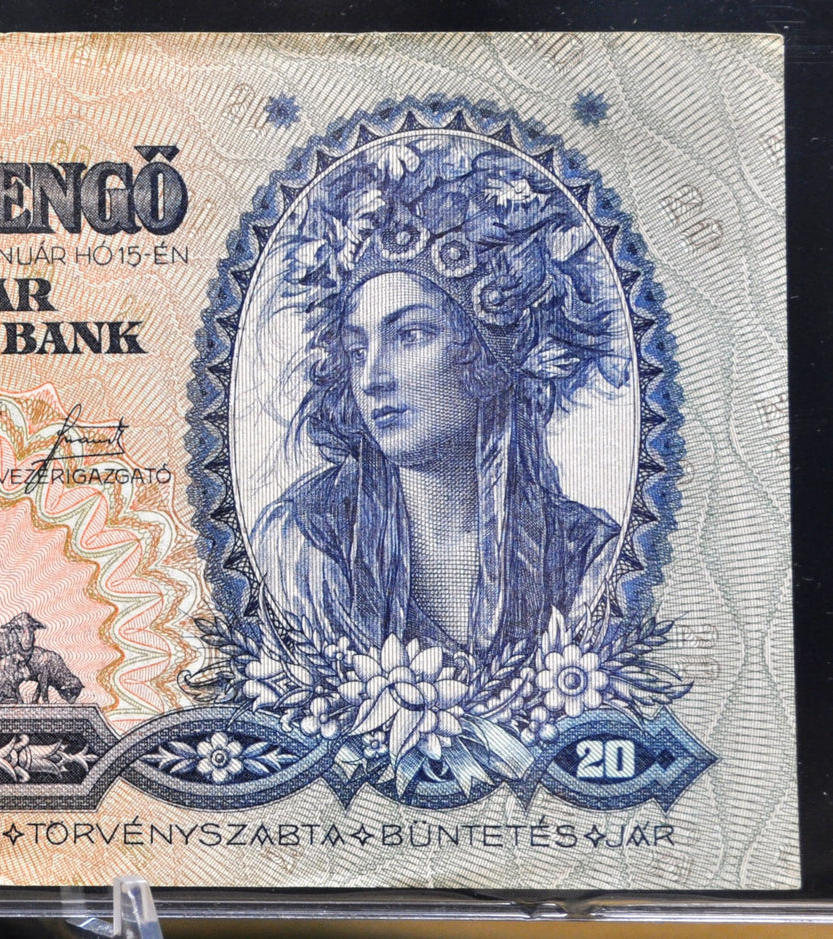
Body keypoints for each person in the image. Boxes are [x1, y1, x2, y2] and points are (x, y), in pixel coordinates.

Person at [251, 137, 627, 664]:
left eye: (410, 336)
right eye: (357, 350)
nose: (372, 379)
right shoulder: (305, 539)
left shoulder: (586, 556)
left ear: (485, 354)